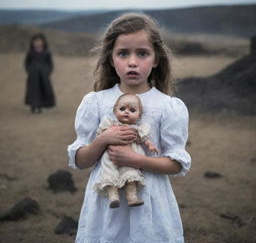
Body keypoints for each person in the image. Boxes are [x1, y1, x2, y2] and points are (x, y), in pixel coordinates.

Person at [67, 13, 191, 243]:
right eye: (123, 53)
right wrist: (103, 140)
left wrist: (134, 159)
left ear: (156, 59)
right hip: (106, 206)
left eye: (142, 53)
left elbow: (176, 163)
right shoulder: (95, 102)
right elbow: (81, 161)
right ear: (111, 59)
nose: (132, 61)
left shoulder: (168, 107)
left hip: (151, 203)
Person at [94, 93, 158, 208]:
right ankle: (113, 197)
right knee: (109, 172)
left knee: (131, 175)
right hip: (110, 156)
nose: (126, 112)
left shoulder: (138, 128)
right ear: (115, 111)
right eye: (122, 109)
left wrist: (150, 146)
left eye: (132, 110)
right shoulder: (110, 124)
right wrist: (106, 136)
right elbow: (100, 136)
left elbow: (145, 139)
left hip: (131, 155)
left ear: (139, 115)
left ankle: (132, 197)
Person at [24, 33, 55, 113]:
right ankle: (33, 106)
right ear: (32, 42)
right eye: (35, 41)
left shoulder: (47, 52)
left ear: (43, 42)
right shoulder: (30, 52)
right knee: (33, 91)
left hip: (43, 78)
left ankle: (40, 106)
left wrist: (47, 71)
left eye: (39, 41)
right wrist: (30, 70)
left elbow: (50, 64)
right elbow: (26, 63)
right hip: (33, 77)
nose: (37, 43)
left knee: (42, 91)